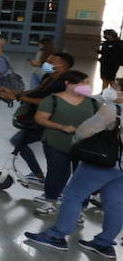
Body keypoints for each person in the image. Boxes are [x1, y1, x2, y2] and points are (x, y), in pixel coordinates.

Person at [25, 77, 123, 258]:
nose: (110, 89)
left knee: (74, 194)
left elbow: (85, 130)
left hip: (103, 162)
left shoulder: (112, 110)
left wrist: (76, 141)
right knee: (116, 204)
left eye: (114, 87)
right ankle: (104, 243)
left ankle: (57, 235)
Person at [0, 51, 72, 188]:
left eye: (51, 62)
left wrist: (18, 97)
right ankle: (39, 176)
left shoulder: (64, 83)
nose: (46, 64)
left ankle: (54, 186)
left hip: (52, 122)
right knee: (18, 141)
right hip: (38, 120)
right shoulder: (49, 77)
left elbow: (47, 101)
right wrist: (14, 93)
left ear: (62, 65)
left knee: (55, 157)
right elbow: (36, 91)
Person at [31, 70, 95, 216]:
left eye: (87, 82)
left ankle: (79, 210)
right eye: (81, 83)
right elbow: (40, 118)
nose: (85, 85)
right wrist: (61, 127)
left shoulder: (93, 102)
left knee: (83, 177)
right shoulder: (52, 100)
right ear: (67, 83)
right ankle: (50, 202)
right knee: (56, 173)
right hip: (56, 143)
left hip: (85, 147)